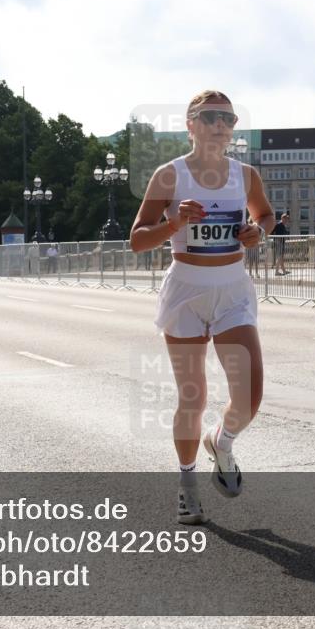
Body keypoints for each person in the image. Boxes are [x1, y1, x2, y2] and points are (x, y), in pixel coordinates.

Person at [130, 90, 275, 525]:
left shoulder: (245, 175)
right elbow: (138, 239)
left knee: (249, 394)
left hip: (232, 289)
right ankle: (187, 483)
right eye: (210, 117)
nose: (220, 125)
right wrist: (174, 224)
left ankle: (222, 440)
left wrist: (258, 233)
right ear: (191, 125)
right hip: (187, 292)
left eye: (228, 118)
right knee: (193, 396)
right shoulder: (169, 177)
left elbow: (266, 216)